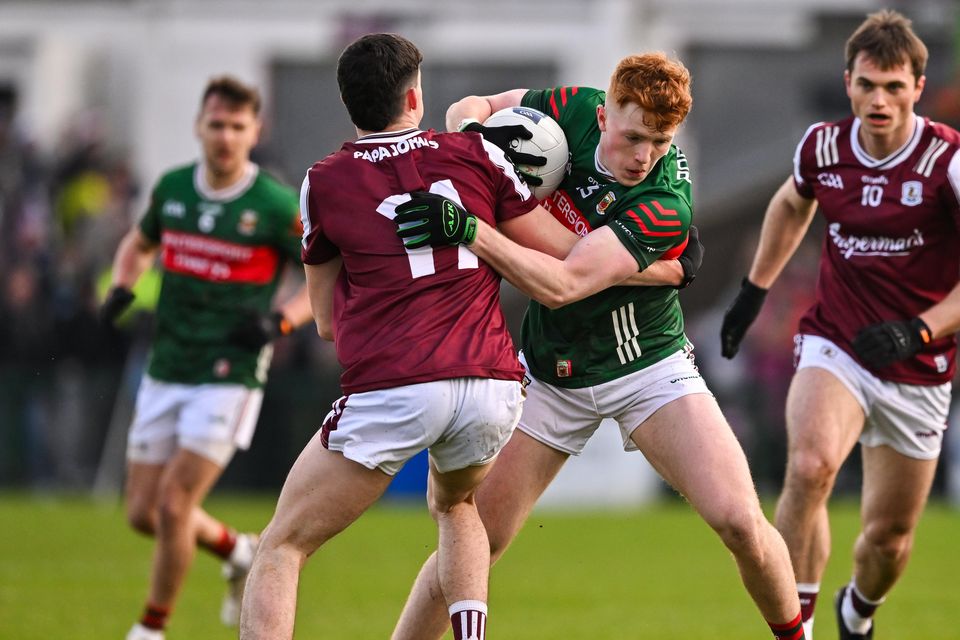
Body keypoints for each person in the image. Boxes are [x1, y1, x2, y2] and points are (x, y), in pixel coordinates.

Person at [238, 33, 695, 640]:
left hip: (396, 381)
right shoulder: (476, 157)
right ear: (415, 97)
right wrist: (666, 267)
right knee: (457, 506)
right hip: (490, 384)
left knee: (282, 543)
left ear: (349, 103)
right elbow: (568, 253)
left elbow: (324, 322)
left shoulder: (324, 181)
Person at [390, 53, 806, 640]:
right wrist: (478, 146)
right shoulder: (573, 108)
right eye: (634, 137)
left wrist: (473, 226)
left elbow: (563, 283)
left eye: (660, 141)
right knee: (474, 542)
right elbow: (470, 106)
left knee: (740, 522)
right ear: (605, 114)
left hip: (647, 368)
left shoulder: (667, 201)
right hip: (549, 373)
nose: (644, 156)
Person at [720, 10, 960, 639]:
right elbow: (790, 203)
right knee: (810, 467)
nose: (878, 101)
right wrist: (754, 291)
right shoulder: (822, 147)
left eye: (893, 87)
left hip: (919, 363)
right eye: (867, 85)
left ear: (917, 87)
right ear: (848, 81)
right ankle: (795, 626)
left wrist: (919, 330)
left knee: (889, 539)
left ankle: (856, 611)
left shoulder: (948, 160)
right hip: (838, 341)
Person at [100, 76, 312, 640]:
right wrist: (122, 285)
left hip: (229, 374)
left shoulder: (274, 205)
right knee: (142, 512)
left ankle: (150, 628)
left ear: (254, 132)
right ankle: (237, 549)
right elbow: (139, 243)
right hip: (168, 364)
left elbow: (324, 277)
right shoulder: (173, 189)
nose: (225, 137)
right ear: (199, 126)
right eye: (217, 124)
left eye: (237, 127)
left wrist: (280, 321)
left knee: (174, 505)